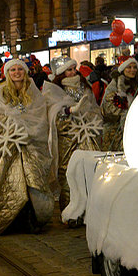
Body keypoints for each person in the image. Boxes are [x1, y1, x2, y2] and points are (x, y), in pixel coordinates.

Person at [0, 57, 59, 235]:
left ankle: (30, 221)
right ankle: (7, 221)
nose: (17, 72)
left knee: (31, 183)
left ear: (25, 72)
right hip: (5, 145)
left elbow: (41, 121)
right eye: (13, 70)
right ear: (7, 73)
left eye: (20, 69)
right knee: (5, 183)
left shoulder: (35, 95)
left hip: (30, 146)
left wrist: (28, 133)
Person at [43, 56, 104, 208]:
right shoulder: (53, 90)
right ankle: (69, 207)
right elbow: (51, 113)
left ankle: (91, 207)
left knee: (89, 168)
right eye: (68, 70)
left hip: (86, 134)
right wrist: (68, 111)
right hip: (67, 137)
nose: (72, 72)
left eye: (73, 69)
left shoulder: (85, 87)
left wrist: (90, 119)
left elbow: (93, 107)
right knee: (67, 170)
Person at [100, 57, 138, 151]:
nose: (132, 70)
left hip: (133, 128)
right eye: (129, 67)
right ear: (123, 69)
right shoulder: (114, 85)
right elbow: (107, 108)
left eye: (135, 67)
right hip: (115, 131)